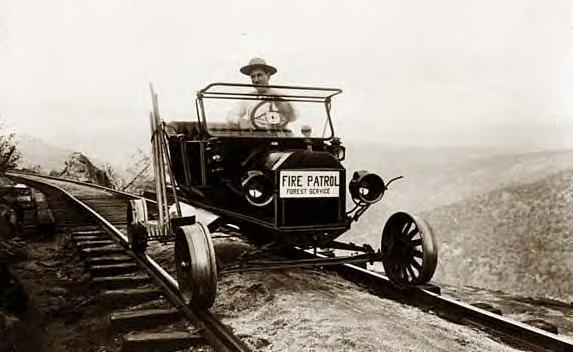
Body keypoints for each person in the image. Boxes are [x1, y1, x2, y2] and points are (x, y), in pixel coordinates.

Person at [227, 57, 296, 129]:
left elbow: (293, 117)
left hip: (279, 135)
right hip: (256, 136)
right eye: (253, 77)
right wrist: (240, 120)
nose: (256, 80)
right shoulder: (248, 98)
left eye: (259, 75)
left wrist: (280, 103)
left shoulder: (279, 96)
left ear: (268, 76)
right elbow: (230, 115)